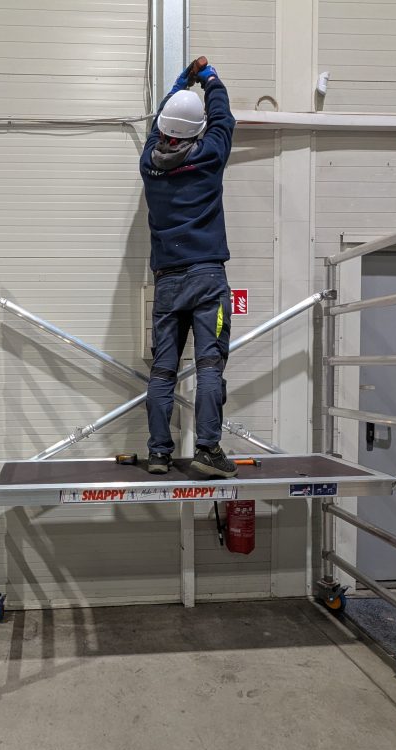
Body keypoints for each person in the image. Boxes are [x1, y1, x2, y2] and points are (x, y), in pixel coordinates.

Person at [140, 57, 236, 478]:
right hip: (207, 280)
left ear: (163, 129)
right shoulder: (211, 154)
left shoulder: (148, 165)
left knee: (163, 371)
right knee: (209, 365)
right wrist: (208, 79)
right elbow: (223, 116)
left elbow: (157, 127)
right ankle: (207, 450)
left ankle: (159, 454)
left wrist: (180, 83)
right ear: (197, 131)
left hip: (167, 283)